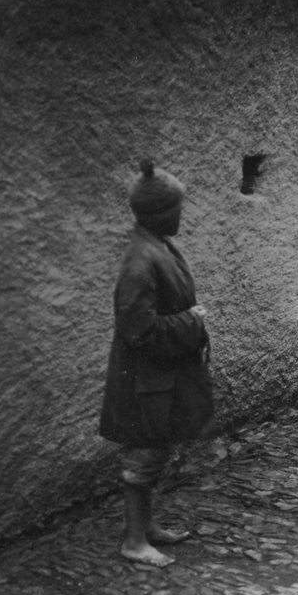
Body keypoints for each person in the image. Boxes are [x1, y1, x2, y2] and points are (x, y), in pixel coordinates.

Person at [99, 160, 214, 567]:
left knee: (155, 450)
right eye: (177, 209)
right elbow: (139, 330)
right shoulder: (140, 261)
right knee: (143, 455)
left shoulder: (158, 246)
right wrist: (192, 321)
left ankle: (145, 527)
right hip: (143, 382)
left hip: (158, 380)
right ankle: (133, 541)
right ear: (159, 214)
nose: (182, 215)